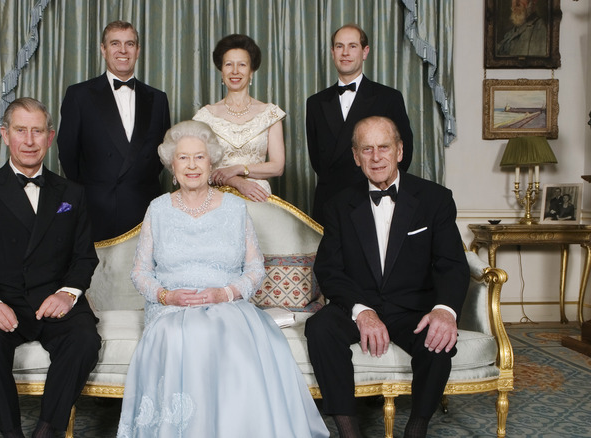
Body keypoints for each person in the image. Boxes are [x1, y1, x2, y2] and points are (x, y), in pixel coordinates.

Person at [116, 120, 329, 438]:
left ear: (211, 162)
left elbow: (255, 270)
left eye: (199, 157)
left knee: (228, 338)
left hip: (227, 302)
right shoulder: (157, 209)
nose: (192, 165)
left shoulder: (234, 207)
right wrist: (166, 296)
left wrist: (225, 293)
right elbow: (140, 272)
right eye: (183, 158)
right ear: (172, 166)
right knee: (179, 337)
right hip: (171, 307)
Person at [304, 116, 469, 438]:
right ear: (356, 156)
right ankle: (349, 430)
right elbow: (329, 269)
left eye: (384, 147)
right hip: (361, 304)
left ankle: (417, 428)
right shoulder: (338, 204)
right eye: (367, 149)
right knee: (320, 327)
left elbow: (451, 263)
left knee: (437, 340)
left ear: (399, 151)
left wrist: (444, 310)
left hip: (414, 308)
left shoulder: (435, 199)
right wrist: (362, 311)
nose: (376, 157)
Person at [0, 97, 101, 438]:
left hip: (53, 300)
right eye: (21, 131)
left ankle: (47, 430)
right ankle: (11, 434)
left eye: (38, 132)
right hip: (2, 300)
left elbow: (84, 257)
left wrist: (68, 293)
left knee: (84, 341)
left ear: (50, 138)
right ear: (6, 135)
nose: (30, 140)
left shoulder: (73, 194)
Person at [58, 20, 171, 242]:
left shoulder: (158, 98)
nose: (122, 50)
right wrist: (97, 189)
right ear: (103, 49)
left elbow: (163, 155)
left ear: (138, 51)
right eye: (115, 43)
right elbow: (67, 153)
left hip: (145, 207)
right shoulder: (79, 95)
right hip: (97, 208)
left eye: (129, 44)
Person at [306, 24, 413, 226]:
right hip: (330, 202)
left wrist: (379, 185)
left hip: (374, 197)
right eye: (339, 46)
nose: (345, 53)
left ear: (365, 52)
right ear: (332, 52)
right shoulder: (314, 103)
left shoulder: (389, 98)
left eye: (352, 46)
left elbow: (403, 153)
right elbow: (317, 160)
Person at [192, 34, 285, 202]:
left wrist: (238, 169)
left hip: (258, 196)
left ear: (251, 72)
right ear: (221, 71)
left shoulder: (270, 114)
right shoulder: (204, 117)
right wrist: (235, 181)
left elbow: (277, 167)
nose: (235, 71)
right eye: (229, 64)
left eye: (242, 65)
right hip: (217, 199)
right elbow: (198, 167)